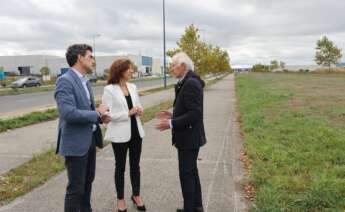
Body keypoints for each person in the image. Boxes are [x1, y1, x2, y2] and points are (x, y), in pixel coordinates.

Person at [55, 44, 110, 212]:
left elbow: (86, 111)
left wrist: (100, 118)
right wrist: (96, 113)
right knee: (76, 189)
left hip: (89, 142)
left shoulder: (85, 81)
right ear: (80, 58)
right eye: (90, 57)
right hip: (75, 144)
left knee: (87, 184)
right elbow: (68, 113)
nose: (93, 60)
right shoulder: (65, 81)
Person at [156, 52, 206, 212]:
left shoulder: (190, 83)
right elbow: (190, 109)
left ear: (183, 66)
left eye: (173, 65)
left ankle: (189, 208)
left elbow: (195, 113)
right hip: (189, 135)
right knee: (191, 172)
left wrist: (172, 123)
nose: (171, 69)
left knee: (186, 175)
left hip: (189, 137)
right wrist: (174, 115)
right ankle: (196, 206)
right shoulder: (186, 81)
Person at [102, 59, 146, 212]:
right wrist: (128, 113)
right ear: (120, 70)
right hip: (119, 134)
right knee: (120, 167)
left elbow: (138, 104)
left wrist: (139, 109)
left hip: (136, 132)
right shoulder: (109, 89)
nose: (132, 72)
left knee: (135, 166)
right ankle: (120, 199)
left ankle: (136, 195)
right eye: (129, 69)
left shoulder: (133, 86)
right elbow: (107, 115)